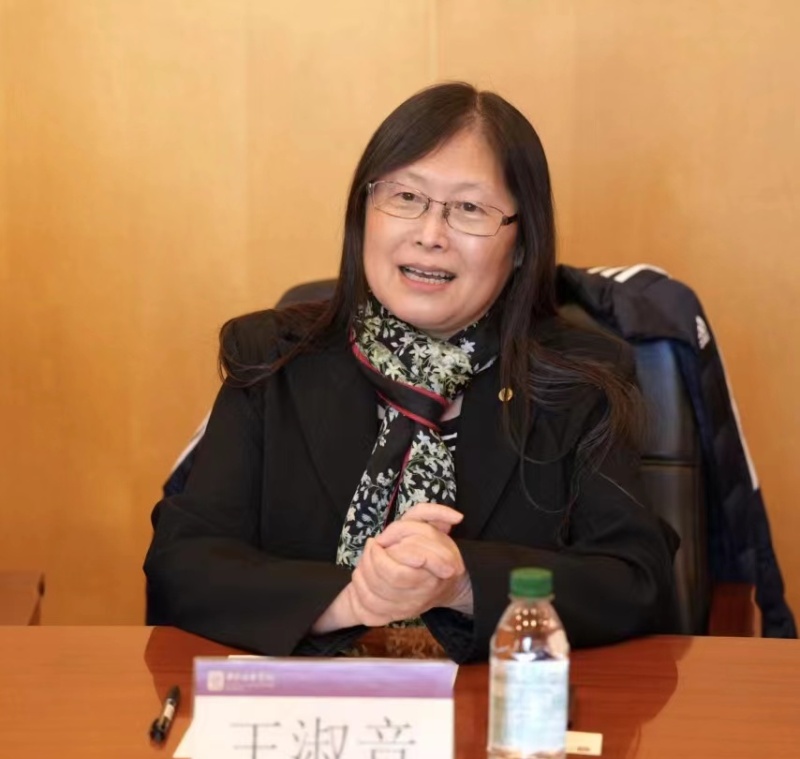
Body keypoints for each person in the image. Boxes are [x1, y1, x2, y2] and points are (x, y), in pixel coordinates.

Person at [144, 82, 678, 662]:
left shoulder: (580, 380)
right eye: (405, 197)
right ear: (364, 214)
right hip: (310, 707)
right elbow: (182, 561)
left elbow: (635, 581)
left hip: (493, 703)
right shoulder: (272, 359)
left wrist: (463, 582)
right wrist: (354, 599)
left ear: (522, 243)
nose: (430, 235)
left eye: (470, 209)